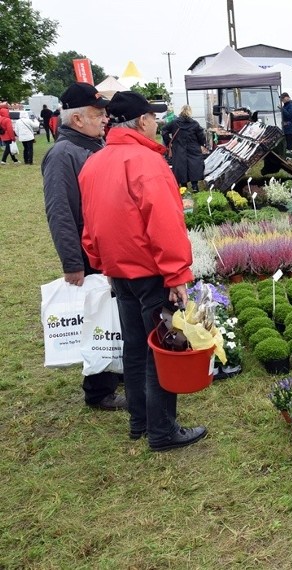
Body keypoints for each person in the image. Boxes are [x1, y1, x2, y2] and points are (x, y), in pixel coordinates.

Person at [78, 91, 207, 451]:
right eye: (152, 116)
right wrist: (177, 274)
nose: (155, 122)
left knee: (135, 347)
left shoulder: (95, 162)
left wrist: (101, 261)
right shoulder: (146, 163)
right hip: (150, 273)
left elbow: (89, 225)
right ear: (142, 121)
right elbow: (165, 224)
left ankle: (140, 421)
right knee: (160, 349)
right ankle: (162, 431)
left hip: (119, 271)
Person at [41, 82, 126, 410]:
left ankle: (112, 369)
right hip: (87, 255)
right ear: (76, 120)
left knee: (111, 313)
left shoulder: (95, 145)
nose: (104, 119)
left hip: (107, 250)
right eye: (97, 114)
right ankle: (99, 391)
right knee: (98, 317)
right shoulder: (63, 155)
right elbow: (60, 212)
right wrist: (72, 263)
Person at [161, 105, 207, 191]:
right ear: (190, 112)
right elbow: (201, 135)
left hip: (178, 147)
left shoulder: (174, 123)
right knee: (194, 165)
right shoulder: (194, 124)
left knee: (180, 165)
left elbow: (164, 130)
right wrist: (202, 143)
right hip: (193, 147)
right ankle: (194, 185)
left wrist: (169, 142)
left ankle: (183, 186)